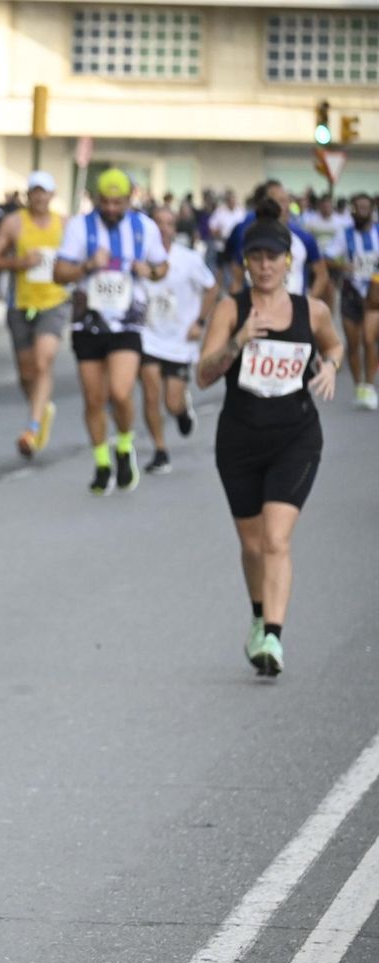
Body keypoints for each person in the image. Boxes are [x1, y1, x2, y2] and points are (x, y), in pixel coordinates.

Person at [194, 204, 342, 676]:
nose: (263, 266)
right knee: (253, 543)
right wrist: (238, 340)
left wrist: (332, 366)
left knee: (277, 538)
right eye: (255, 257)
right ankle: (258, 617)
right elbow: (202, 375)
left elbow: (333, 342)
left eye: (272, 257)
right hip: (239, 438)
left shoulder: (310, 310)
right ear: (244, 262)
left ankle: (273, 638)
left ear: (287, 262)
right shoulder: (231, 309)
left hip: (296, 436)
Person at [53, 168, 169, 494]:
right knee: (94, 398)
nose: (112, 209)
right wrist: (87, 265)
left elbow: (162, 267)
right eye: (106, 202)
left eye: (118, 202)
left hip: (127, 319)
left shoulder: (144, 228)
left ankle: (124, 445)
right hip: (88, 319)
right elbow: (59, 272)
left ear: (130, 198)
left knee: (120, 392)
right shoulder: (80, 227)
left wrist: (150, 270)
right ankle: (102, 462)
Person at [0, 170, 69, 458]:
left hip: (54, 302)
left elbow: (78, 260)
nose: (39, 197)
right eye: (34, 191)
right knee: (26, 372)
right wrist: (20, 262)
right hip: (20, 304)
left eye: (44, 191)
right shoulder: (14, 223)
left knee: (43, 361)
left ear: (52, 195)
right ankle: (41, 407)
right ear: (28, 194)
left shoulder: (64, 225)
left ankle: (31, 429)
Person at [137, 205, 219, 473]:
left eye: (169, 223)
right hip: (147, 336)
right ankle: (160, 451)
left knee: (171, 403)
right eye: (158, 222)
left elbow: (211, 288)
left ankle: (183, 410)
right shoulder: (138, 258)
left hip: (180, 339)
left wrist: (200, 322)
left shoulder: (189, 259)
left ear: (175, 229)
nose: (163, 228)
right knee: (151, 395)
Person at [223, 181, 330, 304]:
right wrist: (237, 311)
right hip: (255, 311)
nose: (285, 206)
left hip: (295, 314)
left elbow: (322, 275)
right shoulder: (249, 236)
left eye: (286, 201)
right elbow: (236, 277)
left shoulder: (304, 238)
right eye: (279, 201)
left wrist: (306, 305)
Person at [335, 193, 378, 408]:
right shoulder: (345, 235)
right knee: (353, 344)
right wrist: (343, 266)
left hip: (374, 297)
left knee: (369, 340)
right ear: (352, 211)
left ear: (371, 210)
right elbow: (328, 257)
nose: (361, 211)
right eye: (357, 208)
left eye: (365, 207)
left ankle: (370, 387)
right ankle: (359, 386)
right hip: (351, 293)